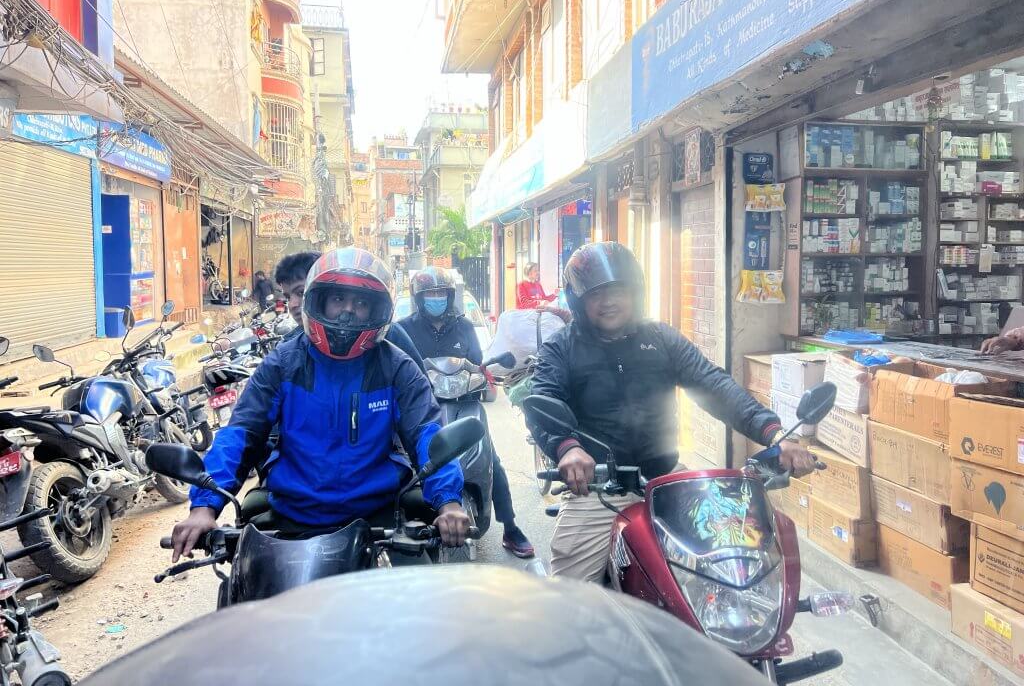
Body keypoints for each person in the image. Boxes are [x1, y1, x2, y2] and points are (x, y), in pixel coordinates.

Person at [529, 241, 818, 582]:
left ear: (635, 292)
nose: (608, 301)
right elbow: (542, 399)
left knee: (724, 570)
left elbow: (714, 385)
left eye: (618, 290)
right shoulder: (561, 348)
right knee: (570, 596)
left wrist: (774, 435)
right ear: (579, 301)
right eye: (596, 294)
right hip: (596, 491)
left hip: (665, 480)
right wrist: (567, 447)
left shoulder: (661, 339)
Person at [170, 248, 471, 561]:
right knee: (243, 588)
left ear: (376, 310)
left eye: (361, 303)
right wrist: (204, 507)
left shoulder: (396, 367)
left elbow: (427, 433)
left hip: (378, 519)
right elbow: (241, 433)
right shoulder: (283, 363)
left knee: (425, 590)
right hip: (291, 520)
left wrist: (448, 502)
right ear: (320, 301)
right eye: (338, 299)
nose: (347, 312)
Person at [400, 267, 535, 559]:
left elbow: (477, 363)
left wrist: (481, 373)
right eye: (430, 294)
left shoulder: (464, 326)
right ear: (419, 298)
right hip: (421, 408)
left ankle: (510, 527)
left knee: (492, 460)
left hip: (465, 402)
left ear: (450, 296)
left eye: (441, 293)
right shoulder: (404, 329)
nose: (436, 298)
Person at [274, 251, 423, 369]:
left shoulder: (388, 333)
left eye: (301, 292)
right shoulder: (285, 353)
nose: (293, 304)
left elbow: (417, 387)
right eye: (287, 297)